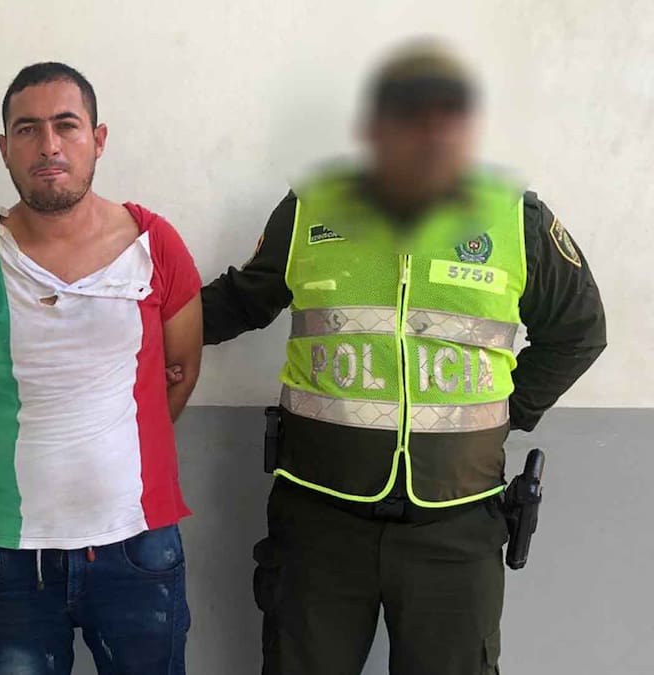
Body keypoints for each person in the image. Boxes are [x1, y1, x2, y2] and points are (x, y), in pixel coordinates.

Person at [197, 41, 607, 674]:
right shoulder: (310, 208)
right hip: (319, 519)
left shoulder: (517, 219)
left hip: (457, 525)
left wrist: (508, 411)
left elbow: (579, 331)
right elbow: (239, 301)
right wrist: (135, 326)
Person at [0, 62, 203, 675]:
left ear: (98, 139)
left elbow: (179, 371)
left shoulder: (155, 246)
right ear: (4, 148)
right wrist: (9, 451)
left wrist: (119, 436)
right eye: (27, 130)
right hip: (13, 558)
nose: (48, 145)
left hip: (139, 545)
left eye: (66, 125)